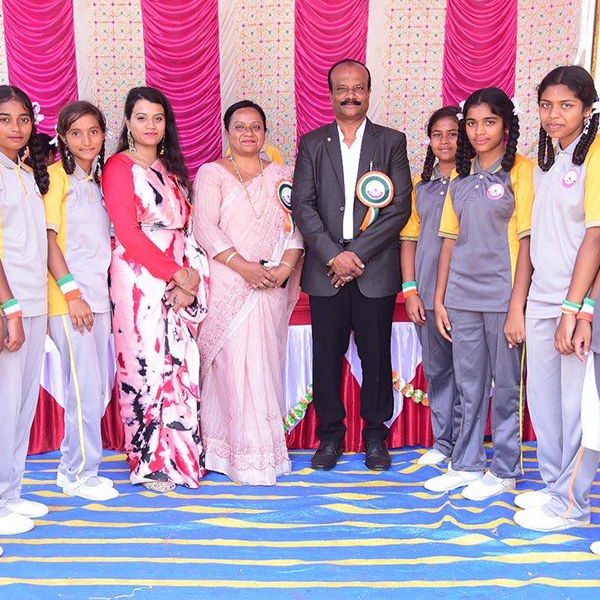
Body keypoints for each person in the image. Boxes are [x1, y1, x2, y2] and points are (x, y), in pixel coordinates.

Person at [291, 58, 412, 471]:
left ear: (369, 92)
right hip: (326, 268)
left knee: (376, 357)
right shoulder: (312, 143)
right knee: (326, 357)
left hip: (373, 268)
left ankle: (376, 436)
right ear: (330, 95)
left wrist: (355, 255)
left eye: (358, 88)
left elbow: (399, 207)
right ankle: (330, 437)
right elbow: (303, 206)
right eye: (342, 89)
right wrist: (333, 254)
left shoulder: (391, 141)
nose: (350, 95)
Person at [424, 88, 534, 500]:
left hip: (503, 298)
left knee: (505, 386)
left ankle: (504, 469)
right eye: (471, 123)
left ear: (506, 125)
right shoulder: (461, 176)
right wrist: (440, 299)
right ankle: (466, 463)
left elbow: (527, 242)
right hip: (461, 298)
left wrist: (517, 307)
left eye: (489, 122)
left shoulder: (521, 171)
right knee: (469, 386)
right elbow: (448, 241)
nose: (478, 131)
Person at [102, 87, 209, 492]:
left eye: (158, 118)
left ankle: (180, 455)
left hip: (179, 272)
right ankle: (147, 462)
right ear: (128, 123)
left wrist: (189, 277)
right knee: (144, 365)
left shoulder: (171, 169)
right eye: (142, 117)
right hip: (138, 280)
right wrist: (175, 274)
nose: (150, 125)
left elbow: (188, 227)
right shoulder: (118, 167)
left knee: (176, 362)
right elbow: (128, 233)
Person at [194, 100, 303, 485]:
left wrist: (284, 269)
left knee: (262, 365)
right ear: (227, 132)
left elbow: (297, 226)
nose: (248, 133)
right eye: (239, 126)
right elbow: (204, 227)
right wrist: (244, 267)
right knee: (230, 367)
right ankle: (225, 453)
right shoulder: (212, 174)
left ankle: (260, 455)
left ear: (265, 133)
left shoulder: (282, 175)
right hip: (230, 282)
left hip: (271, 284)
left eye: (255, 126)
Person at [513, 66, 600, 530]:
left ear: (587, 109)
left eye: (566, 105)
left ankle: (572, 503)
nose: (554, 115)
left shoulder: (596, 154)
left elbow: (596, 237)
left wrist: (578, 310)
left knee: (578, 409)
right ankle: (554, 488)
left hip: (575, 304)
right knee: (545, 405)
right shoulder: (547, 163)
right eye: (546, 105)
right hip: (542, 300)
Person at [44, 101, 118, 502]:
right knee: (83, 389)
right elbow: (48, 240)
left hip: (99, 300)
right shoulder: (57, 178)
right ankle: (77, 473)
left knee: (96, 389)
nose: (86, 140)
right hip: (69, 300)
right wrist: (72, 294)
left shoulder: (100, 182)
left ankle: (75, 467)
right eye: (76, 133)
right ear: (63, 138)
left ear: (104, 134)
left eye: (93, 131)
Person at [400, 106, 464, 466]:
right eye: (438, 134)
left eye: (453, 133)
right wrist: (411, 290)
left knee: (467, 372)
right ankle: (444, 442)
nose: (445, 141)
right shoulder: (420, 186)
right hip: (425, 292)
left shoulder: (473, 180)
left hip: (465, 292)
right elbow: (408, 239)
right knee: (438, 370)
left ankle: (467, 445)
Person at [0, 85, 50, 537]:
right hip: (9, 306)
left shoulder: (24, 170)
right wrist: (9, 308)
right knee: (3, 406)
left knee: (21, 406)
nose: (16, 128)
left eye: (22, 119)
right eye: (4, 119)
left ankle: (11, 493)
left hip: (34, 302)